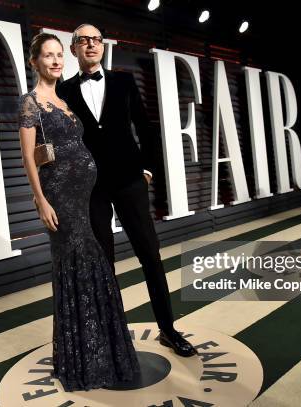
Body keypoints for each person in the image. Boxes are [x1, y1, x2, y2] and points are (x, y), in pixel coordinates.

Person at [57, 24, 197, 357]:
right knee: (103, 263)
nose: (90, 44)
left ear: (102, 47)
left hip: (130, 181)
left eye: (95, 40)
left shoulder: (123, 81)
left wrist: (147, 171)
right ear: (74, 49)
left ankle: (168, 329)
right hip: (92, 189)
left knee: (150, 254)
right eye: (83, 41)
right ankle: (113, 337)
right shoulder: (64, 92)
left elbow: (146, 129)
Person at [18, 33, 140, 392]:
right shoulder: (32, 102)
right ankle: (81, 359)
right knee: (77, 267)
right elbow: (28, 156)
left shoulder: (63, 98)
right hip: (60, 198)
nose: (56, 61)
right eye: (48, 56)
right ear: (35, 62)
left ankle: (99, 350)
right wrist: (41, 200)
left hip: (86, 198)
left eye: (59, 55)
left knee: (91, 266)